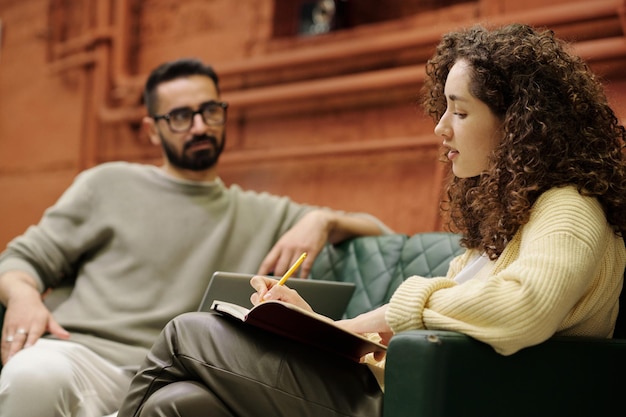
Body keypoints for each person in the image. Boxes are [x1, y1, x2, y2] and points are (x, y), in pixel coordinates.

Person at [116, 23, 626, 417]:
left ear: (517, 124)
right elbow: (432, 322)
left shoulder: (569, 208)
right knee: (176, 404)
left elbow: (523, 308)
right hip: (400, 386)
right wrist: (311, 325)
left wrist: (395, 311)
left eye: (460, 112)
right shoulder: (511, 224)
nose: (440, 128)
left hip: (430, 403)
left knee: (189, 331)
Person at [0, 58, 391, 417]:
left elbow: (381, 232)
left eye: (209, 111)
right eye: (181, 116)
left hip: (180, 373)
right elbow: (20, 261)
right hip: (85, 358)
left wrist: (323, 219)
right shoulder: (106, 184)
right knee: (31, 374)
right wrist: (22, 296)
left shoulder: (263, 212)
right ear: (152, 130)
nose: (200, 126)